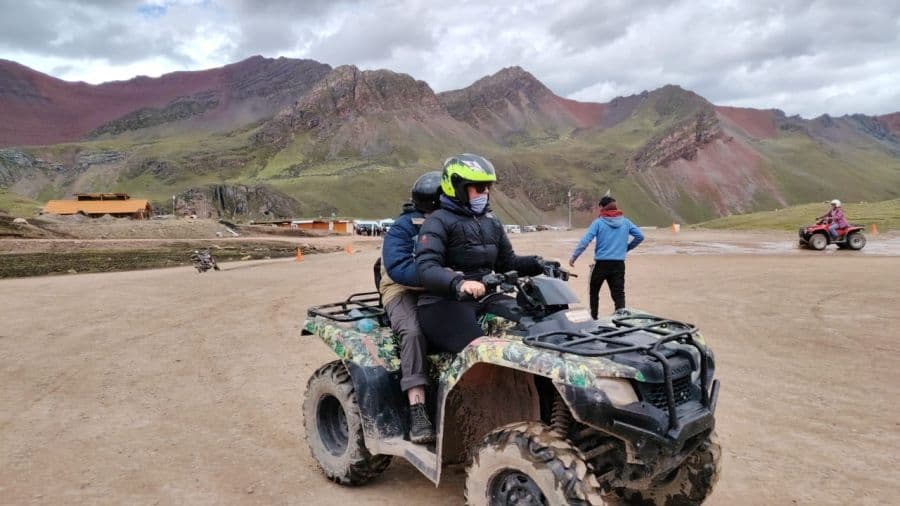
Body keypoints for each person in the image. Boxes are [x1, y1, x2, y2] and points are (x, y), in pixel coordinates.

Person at [416, 154, 546, 354]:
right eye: (479, 187)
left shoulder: (491, 221)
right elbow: (427, 267)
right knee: (482, 351)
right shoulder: (437, 221)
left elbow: (507, 262)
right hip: (443, 302)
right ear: (457, 186)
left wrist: (538, 263)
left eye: (488, 187)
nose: (485, 191)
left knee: (535, 326)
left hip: (486, 297)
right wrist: (459, 283)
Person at [379, 171, 442, 444]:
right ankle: (418, 408)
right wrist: (440, 277)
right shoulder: (402, 228)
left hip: (440, 287)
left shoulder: (450, 223)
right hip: (401, 289)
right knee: (413, 331)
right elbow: (399, 269)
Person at [568, 196, 644, 319]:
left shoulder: (598, 222)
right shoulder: (626, 222)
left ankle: (594, 318)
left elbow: (585, 241)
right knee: (619, 294)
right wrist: (626, 248)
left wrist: (574, 257)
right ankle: (621, 319)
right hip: (619, 264)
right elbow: (640, 236)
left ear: (602, 207)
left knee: (594, 292)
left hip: (601, 264)